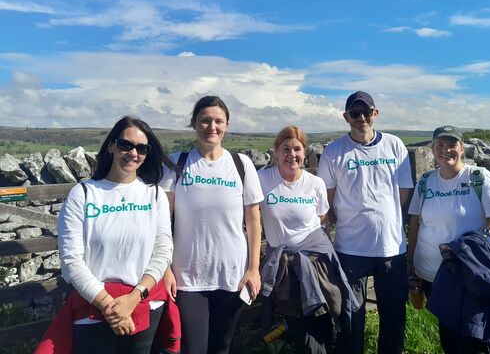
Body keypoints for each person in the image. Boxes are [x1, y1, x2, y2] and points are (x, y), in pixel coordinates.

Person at [48, 116, 178, 354]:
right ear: (111, 146)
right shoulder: (84, 194)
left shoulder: (154, 194)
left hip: (144, 307)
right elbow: (71, 261)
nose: (133, 153)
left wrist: (133, 298)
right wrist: (111, 307)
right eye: (126, 145)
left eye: (142, 148)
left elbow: (162, 250)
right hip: (93, 311)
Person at [160, 95, 264, 354]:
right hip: (187, 276)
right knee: (193, 349)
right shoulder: (177, 163)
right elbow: (160, 221)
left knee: (222, 347)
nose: (212, 127)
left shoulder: (241, 165)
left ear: (227, 125)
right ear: (194, 123)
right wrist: (165, 269)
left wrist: (254, 269)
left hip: (232, 275)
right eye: (205, 121)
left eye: (218, 121)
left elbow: (253, 220)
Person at [317, 91, 414, 354]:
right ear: (346, 117)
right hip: (350, 249)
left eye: (366, 112)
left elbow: (402, 193)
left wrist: (383, 215)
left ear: (375, 113)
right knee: (351, 317)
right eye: (355, 113)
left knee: (393, 317)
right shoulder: (333, 152)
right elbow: (328, 199)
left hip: (391, 247)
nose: (361, 118)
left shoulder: (394, 145)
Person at [407, 125, 490, 353]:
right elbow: (415, 224)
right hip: (433, 275)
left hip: (471, 275)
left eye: (452, 145)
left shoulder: (479, 178)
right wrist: (411, 262)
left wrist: (468, 252)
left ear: (462, 148)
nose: (446, 150)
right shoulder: (426, 182)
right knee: (449, 334)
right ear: (433, 149)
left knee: (475, 336)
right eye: (440, 145)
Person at [259, 126, 360, 354]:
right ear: (276, 151)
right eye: (285, 149)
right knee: (303, 334)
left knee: (329, 321)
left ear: (304, 152)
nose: (291, 155)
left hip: (319, 264)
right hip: (286, 269)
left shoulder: (315, 183)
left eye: (297, 149)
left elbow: (322, 218)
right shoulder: (262, 179)